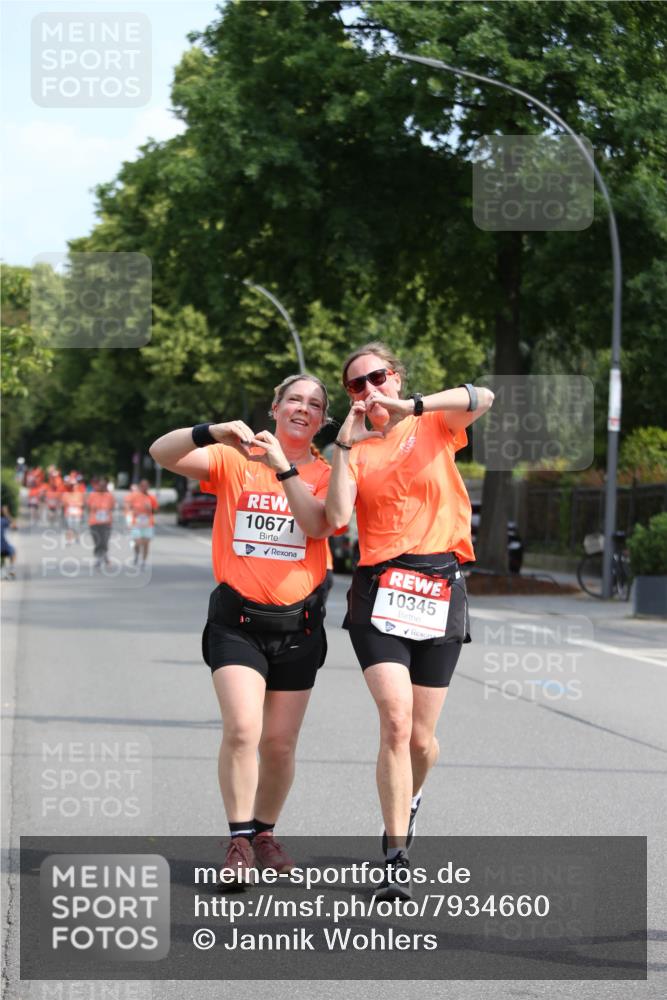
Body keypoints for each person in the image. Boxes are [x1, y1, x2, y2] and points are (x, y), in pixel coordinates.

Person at [149, 374, 336, 881]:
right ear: (275, 408)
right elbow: (161, 452)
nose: (303, 408)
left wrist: (283, 469)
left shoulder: (325, 473)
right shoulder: (235, 461)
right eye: (294, 400)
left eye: (314, 405)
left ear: (322, 420)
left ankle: (265, 833)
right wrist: (210, 431)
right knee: (243, 729)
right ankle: (238, 842)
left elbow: (319, 525)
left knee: (279, 744)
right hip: (238, 623)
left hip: (298, 626)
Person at [325, 342, 494, 900]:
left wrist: (413, 407)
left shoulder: (435, 424)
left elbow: (483, 395)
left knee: (422, 739)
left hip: (440, 585)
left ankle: (410, 797)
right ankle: (395, 855)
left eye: (376, 378)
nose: (369, 389)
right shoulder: (354, 449)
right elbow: (339, 516)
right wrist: (346, 445)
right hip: (379, 593)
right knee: (396, 724)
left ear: (395, 379)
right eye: (356, 385)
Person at [124, 480, 159, 567]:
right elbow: (128, 507)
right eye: (143, 486)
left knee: (146, 543)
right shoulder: (134, 496)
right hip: (136, 523)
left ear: (148, 487)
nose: (144, 487)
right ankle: (136, 555)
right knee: (138, 542)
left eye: (146, 486)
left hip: (148, 523)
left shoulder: (151, 497)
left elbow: (156, 510)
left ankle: (143, 561)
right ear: (140, 486)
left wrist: (150, 508)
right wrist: (130, 514)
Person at [86, 478, 115, 567]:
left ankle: (103, 555)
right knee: (97, 540)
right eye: (100, 485)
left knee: (104, 540)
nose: (102, 487)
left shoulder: (109, 496)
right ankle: (99, 556)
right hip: (94, 522)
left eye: (104, 485)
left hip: (106, 522)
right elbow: (88, 507)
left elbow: (112, 507)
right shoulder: (92, 495)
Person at [1, 505, 17, 579]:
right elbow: (14, 525)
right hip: (4, 546)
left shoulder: (4, 520)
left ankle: (10, 570)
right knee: (13, 551)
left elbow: (14, 526)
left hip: (4, 545)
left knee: (12, 550)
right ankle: (12, 570)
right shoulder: (4, 520)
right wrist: (7, 514)